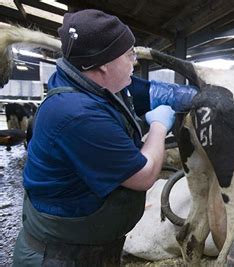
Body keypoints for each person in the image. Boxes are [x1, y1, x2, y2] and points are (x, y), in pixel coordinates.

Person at [13, 9, 197, 266]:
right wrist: (158, 126)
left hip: (91, 248)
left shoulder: (92, 82)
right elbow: (144, 176)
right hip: (59, 257)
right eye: (129, 55)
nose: (135, 62)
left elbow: (153, 92)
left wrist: (201, 93)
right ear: (101, 65)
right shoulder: (76, 114)